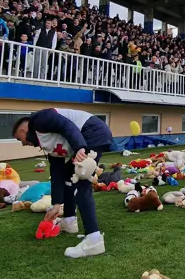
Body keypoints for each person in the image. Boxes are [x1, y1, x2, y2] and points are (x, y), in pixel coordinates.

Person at [11, 108, 112, 258]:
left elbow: (66, 125)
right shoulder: (46, 141)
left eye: (20, 139)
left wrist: (79, 148)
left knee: (81, 180)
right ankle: (69, 221)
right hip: (85, 135)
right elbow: (56, 173)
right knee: (67, 177)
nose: (23, 144)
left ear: (23, 129)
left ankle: (94, 240)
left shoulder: (40, 119)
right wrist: (56, 205)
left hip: (92, 131)